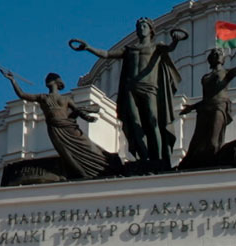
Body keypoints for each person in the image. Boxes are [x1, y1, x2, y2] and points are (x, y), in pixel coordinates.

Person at [70, 19, 188, 169]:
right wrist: (89, 48)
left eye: (144, 26)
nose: (141, 29)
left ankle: (158, 158)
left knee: (153, 121)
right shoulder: (129, 49)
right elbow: (107, 54)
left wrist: (176, 40)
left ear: (151, 30)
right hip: (131, 89)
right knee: (134, 123)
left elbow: (170, 48)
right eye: (139, 26)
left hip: (149, 87)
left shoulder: (156, 46)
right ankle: (144, 158)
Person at [2, 70, 114, 180]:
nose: (47, 81)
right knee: (66, 152)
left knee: (87, 146)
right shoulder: (43, 97)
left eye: (50, 79)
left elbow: (77, 111)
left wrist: (87, 117)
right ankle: (83, 173)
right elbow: (22, 95)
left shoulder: (66, 99)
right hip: (56, 128)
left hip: (69, 126)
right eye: (47, 80)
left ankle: (104, 166)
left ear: (57, 81)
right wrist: (13, 80)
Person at [178, 44, 236, 169]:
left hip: (219, 107)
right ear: (210, 59)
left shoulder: (226, 73)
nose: (217, 55)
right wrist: (191, 107)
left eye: (220, 53)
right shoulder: (205, 77)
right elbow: (206, 98)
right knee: (197, 141)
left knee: (213, 140)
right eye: (214, 54)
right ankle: (192, 165)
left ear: (223, 59)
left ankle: (213, 164)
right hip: (204, 109)